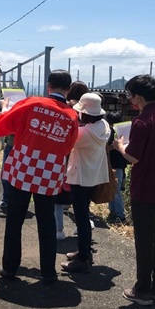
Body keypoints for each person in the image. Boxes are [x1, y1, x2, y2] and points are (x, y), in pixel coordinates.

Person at [0, 69, 79, 284]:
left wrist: (5, 110)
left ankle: (10, 268)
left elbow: (1, 128)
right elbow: (68, 146)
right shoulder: (71, 116)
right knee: (47, 221)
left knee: (15, 220)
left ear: (48, 86)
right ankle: (48, 272)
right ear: (68, 90)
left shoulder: (31, 103)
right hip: (50, 173)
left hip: (22, 169)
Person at [113, 74, 155, 305]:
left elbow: (134, 156)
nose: (130, 99)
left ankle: (142, 290)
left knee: (144, 241)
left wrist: (121, 147)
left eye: (130, 95)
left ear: (139, 97)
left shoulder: (142, 121)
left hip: (147, 189)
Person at [62, 92, 111, 273]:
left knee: (81, 219)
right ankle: (84, 252)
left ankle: (83, 258)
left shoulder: (84, 133)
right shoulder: (104, 126)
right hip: (93, 176)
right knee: (84, 216)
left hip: (80, 177)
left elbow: (68, 140)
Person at [55, 81, 90, 240]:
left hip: (63, 157)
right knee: (81, 198)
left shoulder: (66, 110)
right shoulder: (88, 114)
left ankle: (59, 230)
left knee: (57, 197)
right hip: (81, 161)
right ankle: (81, 226)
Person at [106, 110, 129, 224]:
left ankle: (120, 215)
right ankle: (114, 212)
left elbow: (108, 148)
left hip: (113, 165)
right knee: (114, 190)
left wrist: (110, 147)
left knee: (115, 190)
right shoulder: (124, 132)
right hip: (121, 165)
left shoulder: (110, 132)